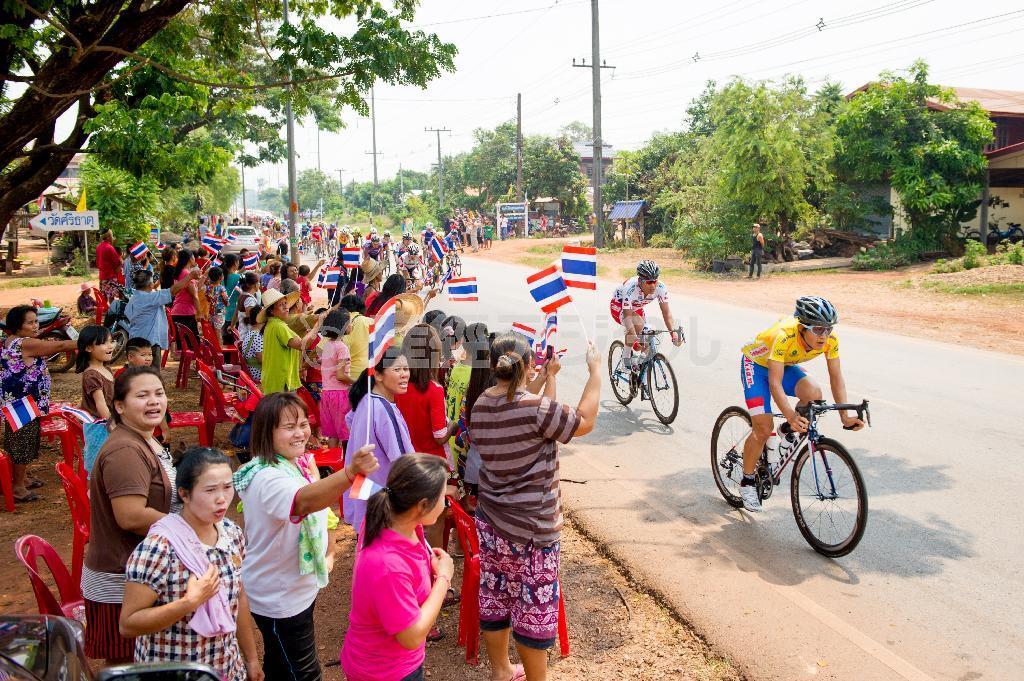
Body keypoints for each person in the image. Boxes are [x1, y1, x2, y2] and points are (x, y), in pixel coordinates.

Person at [471, 333, 601, 681]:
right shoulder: (534, 408)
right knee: (533, 609)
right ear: (528, 367)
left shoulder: (482, 403)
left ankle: (500, 670)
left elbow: (536, 417)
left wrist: (549, 378)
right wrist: (595, 372)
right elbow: (584, 421)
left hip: (492, 520)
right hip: (532, 530)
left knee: (495, 593)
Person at [233, 393, 378, 681]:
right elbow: (304, 502)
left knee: (281, 665)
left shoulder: (291, 463)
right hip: (279, 599)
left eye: (303, 423)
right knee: (304, 673)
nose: (300, 433)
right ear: (266, 431)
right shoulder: (267, 478)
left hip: (293, 591)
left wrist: (330, 551)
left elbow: (321, 509)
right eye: (289, 427)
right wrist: (350, 473)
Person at [120, 447, 263, 681]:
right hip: (174, 673)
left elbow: (239, 597)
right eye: (210, 490)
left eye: (227, 487)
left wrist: (251, 658)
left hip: (225, 668)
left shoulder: (231, 534)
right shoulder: (158, 549)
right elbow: (128, 624)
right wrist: (190, 602)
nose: (222, 498)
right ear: (184, 494)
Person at [83, 367, 177, 662]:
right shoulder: (125, 450)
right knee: (128, 664)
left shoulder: (144, 438)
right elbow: (131, 516)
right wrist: (187, 525)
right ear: (120, 406)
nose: (154, 401)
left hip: (139, 572)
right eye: (142, 395)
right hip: (121, 580)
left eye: (159, 393)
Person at [738, 296, 864, 512]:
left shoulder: (831, 341)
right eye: (817, 329)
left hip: (784, 364)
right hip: (757, 366)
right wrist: (790, 414)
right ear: (802, 327)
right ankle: (747, 481)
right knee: (763, 428)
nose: (824, 336)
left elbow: (836, 376)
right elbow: (775, 383)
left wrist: (845, 416)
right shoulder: (784, 336)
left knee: (814, 393)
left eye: (828, 329)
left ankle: (787, 431)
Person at [340, 455, 454, 681]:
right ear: (422, 505)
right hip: (384, 672)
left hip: (390, 663)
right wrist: (443, 578)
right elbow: (411, 636)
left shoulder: (399, 525)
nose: (445, 502)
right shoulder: (388, 565)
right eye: (442, 497)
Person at [0, 305, 77, 502]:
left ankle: (22, 478)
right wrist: (89, 340)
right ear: (18, 326)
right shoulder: (24, 343)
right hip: (22, 403)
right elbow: (60, 346)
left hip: (22, 401)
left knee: (20, 440)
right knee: (22, 443)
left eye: (36, 321)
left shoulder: (13, 341)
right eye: (30, 322)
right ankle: (17, 487)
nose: (36, 325)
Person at [395, 324, 457, 549]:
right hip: (434, 463)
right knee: (436, 522)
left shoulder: (398, 386)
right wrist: (454, 425)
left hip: (407, 461)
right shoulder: (433, 389)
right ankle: (435, 565)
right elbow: (440, 435)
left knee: (411, 520)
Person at [344, 347, 413, 534]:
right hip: (384, 503)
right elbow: (405, 462)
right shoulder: (384, 409)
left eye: (406, 369)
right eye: (397, 369)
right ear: (379, 375)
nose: (404, 375)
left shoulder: (365, 401)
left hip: (365, 492)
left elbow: (348, 420)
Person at [446, 322, 493, 501]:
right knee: (463, 497)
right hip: (462, 442)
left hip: (451, 437)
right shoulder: (477, 378)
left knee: (455, 499)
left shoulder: (456, 368)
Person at [610, 260, 683, 371]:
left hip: (637, 308)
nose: (653, 285)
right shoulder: (630, 288)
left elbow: (666, 313)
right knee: (637, 327)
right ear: (640, 281)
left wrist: (673, 333)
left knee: (645, 340)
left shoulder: (661, 288)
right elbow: (628, 316)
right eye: (649, 282)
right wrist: (634, 335)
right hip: (619, 306)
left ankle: (640, 374)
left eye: (655, 281)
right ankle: (625, 361)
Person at [127, 268, 204, 368]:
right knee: (152, 376)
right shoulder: (150, 298)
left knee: (136, 374)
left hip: (135, 340)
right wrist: (190, 276)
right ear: (150, 284)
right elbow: (172, 291)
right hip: (149, 344)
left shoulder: (133, 299)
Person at [257, 289, 321, 394]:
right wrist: (316, 327)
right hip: (281, 382)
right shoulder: (278, 326)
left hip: (275, 380)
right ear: (272, 311)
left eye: (286, 303)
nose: (286, 307)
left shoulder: (273, 324)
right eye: (281, 305)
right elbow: (302, 345)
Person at [77, 325, 116, 473]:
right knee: (96, 466)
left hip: (109, 423)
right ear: (88, 348)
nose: (109, 346)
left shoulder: (106, 368)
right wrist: (114, 425)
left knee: (110, 463)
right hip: (100, 427)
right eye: (103, 343)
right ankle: (91, 494)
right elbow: (101, 405)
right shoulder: (91, 374)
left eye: (111, 341)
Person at [319, 308, 353, 449]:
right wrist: (357, 382)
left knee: (333, 433)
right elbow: (340, 375)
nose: (352, 326)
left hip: (327, 393)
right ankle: (346, 463)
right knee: (346, 434)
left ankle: (332, 465)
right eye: (350, 323)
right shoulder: (342, 348)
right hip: (340, 394)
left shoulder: (328, 345)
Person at [169, 250, 201, 351]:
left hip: (179, 311)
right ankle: (191, 365)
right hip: (185, 313)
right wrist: (199, 314)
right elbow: (194, 295)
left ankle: (187, 365)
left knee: (186, 347)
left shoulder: (182, 272)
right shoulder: (186, 273)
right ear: (190, 259)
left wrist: (204, 276)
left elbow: (195, 288)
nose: (194, 258)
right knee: (192, 345)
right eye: (193, 256)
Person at [340, 294, 371, 381]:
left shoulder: (339, 321)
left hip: (346, 376)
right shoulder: (370, 322)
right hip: (367, 373)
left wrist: (304, 365)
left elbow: (319, 349)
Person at [96, 229, 123, 301]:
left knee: (104, 296)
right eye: (112, 235)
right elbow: (117, 262)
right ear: (108, 237)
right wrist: (121, 262)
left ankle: (105, 310)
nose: (112, 237)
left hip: (102, 275)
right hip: (110, 276)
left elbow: (98, 262)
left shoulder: (98, 246)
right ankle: (111, 311)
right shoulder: (110, 248)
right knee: (111, 297)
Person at [239, 307, 264, 381]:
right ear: (259, 319)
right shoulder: (258, 336)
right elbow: (262, 360)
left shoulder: (252, 332)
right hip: (257, 372)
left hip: (252, 369)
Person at [221, 254, 242, 335]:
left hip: (223, 314)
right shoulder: (239, 277)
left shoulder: (221, 277)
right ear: (235, 263)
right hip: (235, 316)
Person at [204, 266, 230, 331]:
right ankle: (219, 341)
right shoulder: (221, 288)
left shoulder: (208, 287)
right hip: (219, 312)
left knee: (212, 330)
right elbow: (225, 299)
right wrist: (227, 303)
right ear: (220, 277)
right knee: (219, 330)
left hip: (211, 311)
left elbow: (207, 298)